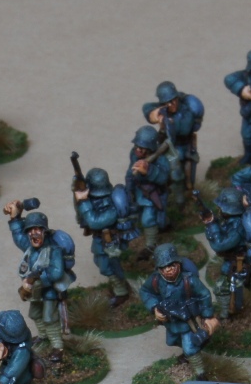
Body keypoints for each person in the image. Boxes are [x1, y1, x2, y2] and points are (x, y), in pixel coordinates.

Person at [4, 201, 75, 361]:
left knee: (49, 318)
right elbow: (18, 237)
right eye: (30, 230)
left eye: (37, 230)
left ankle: (57, 346)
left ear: (44, 231)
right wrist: (15, 217)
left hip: (49, 291)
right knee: (35, 314)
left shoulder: (54, 250)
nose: (34, 234)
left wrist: (35, 279)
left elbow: (56, 273)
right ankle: (43, 336)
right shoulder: (29, 247)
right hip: (34, 291)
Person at [138, 244, 218, 380]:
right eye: (163, 267)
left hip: (189, 321)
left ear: (178, 264)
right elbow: (145, 291)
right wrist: (154, 307)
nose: (168, 270)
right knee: (172, 341)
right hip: (171, 321)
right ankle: (191, 351)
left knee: (189, 347)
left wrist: (207, 316)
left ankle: (200, 373)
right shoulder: (156, 280)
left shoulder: (189, 280)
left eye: (171, 265)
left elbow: (204, 295)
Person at [201, 186, 251, 318]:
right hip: (242, 260)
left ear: (230, 209)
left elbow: (220, 245)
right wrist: (213, 221)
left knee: (221, 286)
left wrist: (211, 225)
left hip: (235, 262)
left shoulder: (237, 227)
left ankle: (225, 315)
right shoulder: (233, 222)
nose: (219, 210)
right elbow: (224, 231)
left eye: (222, 208)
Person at [72, 166, 136, 306]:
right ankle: (119, 285)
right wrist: (76, 191)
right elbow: (80, 215)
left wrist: (83, 202)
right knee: (100, 262)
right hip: (100, 239)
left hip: (110, 241)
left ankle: (121, 292)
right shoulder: (94, 202)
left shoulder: (112, 207)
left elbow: (94, 222)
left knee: (108, 266)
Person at [143, 81, 204, 193]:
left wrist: (168, 123)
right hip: (168, 145)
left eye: (173, 100)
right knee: (165, 168)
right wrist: (154, 114)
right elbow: (146, 107)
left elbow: (184, 129)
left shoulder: (186, 112)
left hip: (183, 145)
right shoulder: (164, 109)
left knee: (184, 171)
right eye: (167, 102)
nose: (171, 104)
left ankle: (186, 192)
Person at [126, 127, 171, 257]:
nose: (138, 150)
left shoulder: (161, 160)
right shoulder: (134, 154)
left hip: (153, 194)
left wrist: (148, 171)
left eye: (142, 148)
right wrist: (129, 189)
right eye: (137, 146)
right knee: (137, 214)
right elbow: (130, 172)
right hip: (139, 191)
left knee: (148, 218)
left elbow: (163, 177)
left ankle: (151, 245)